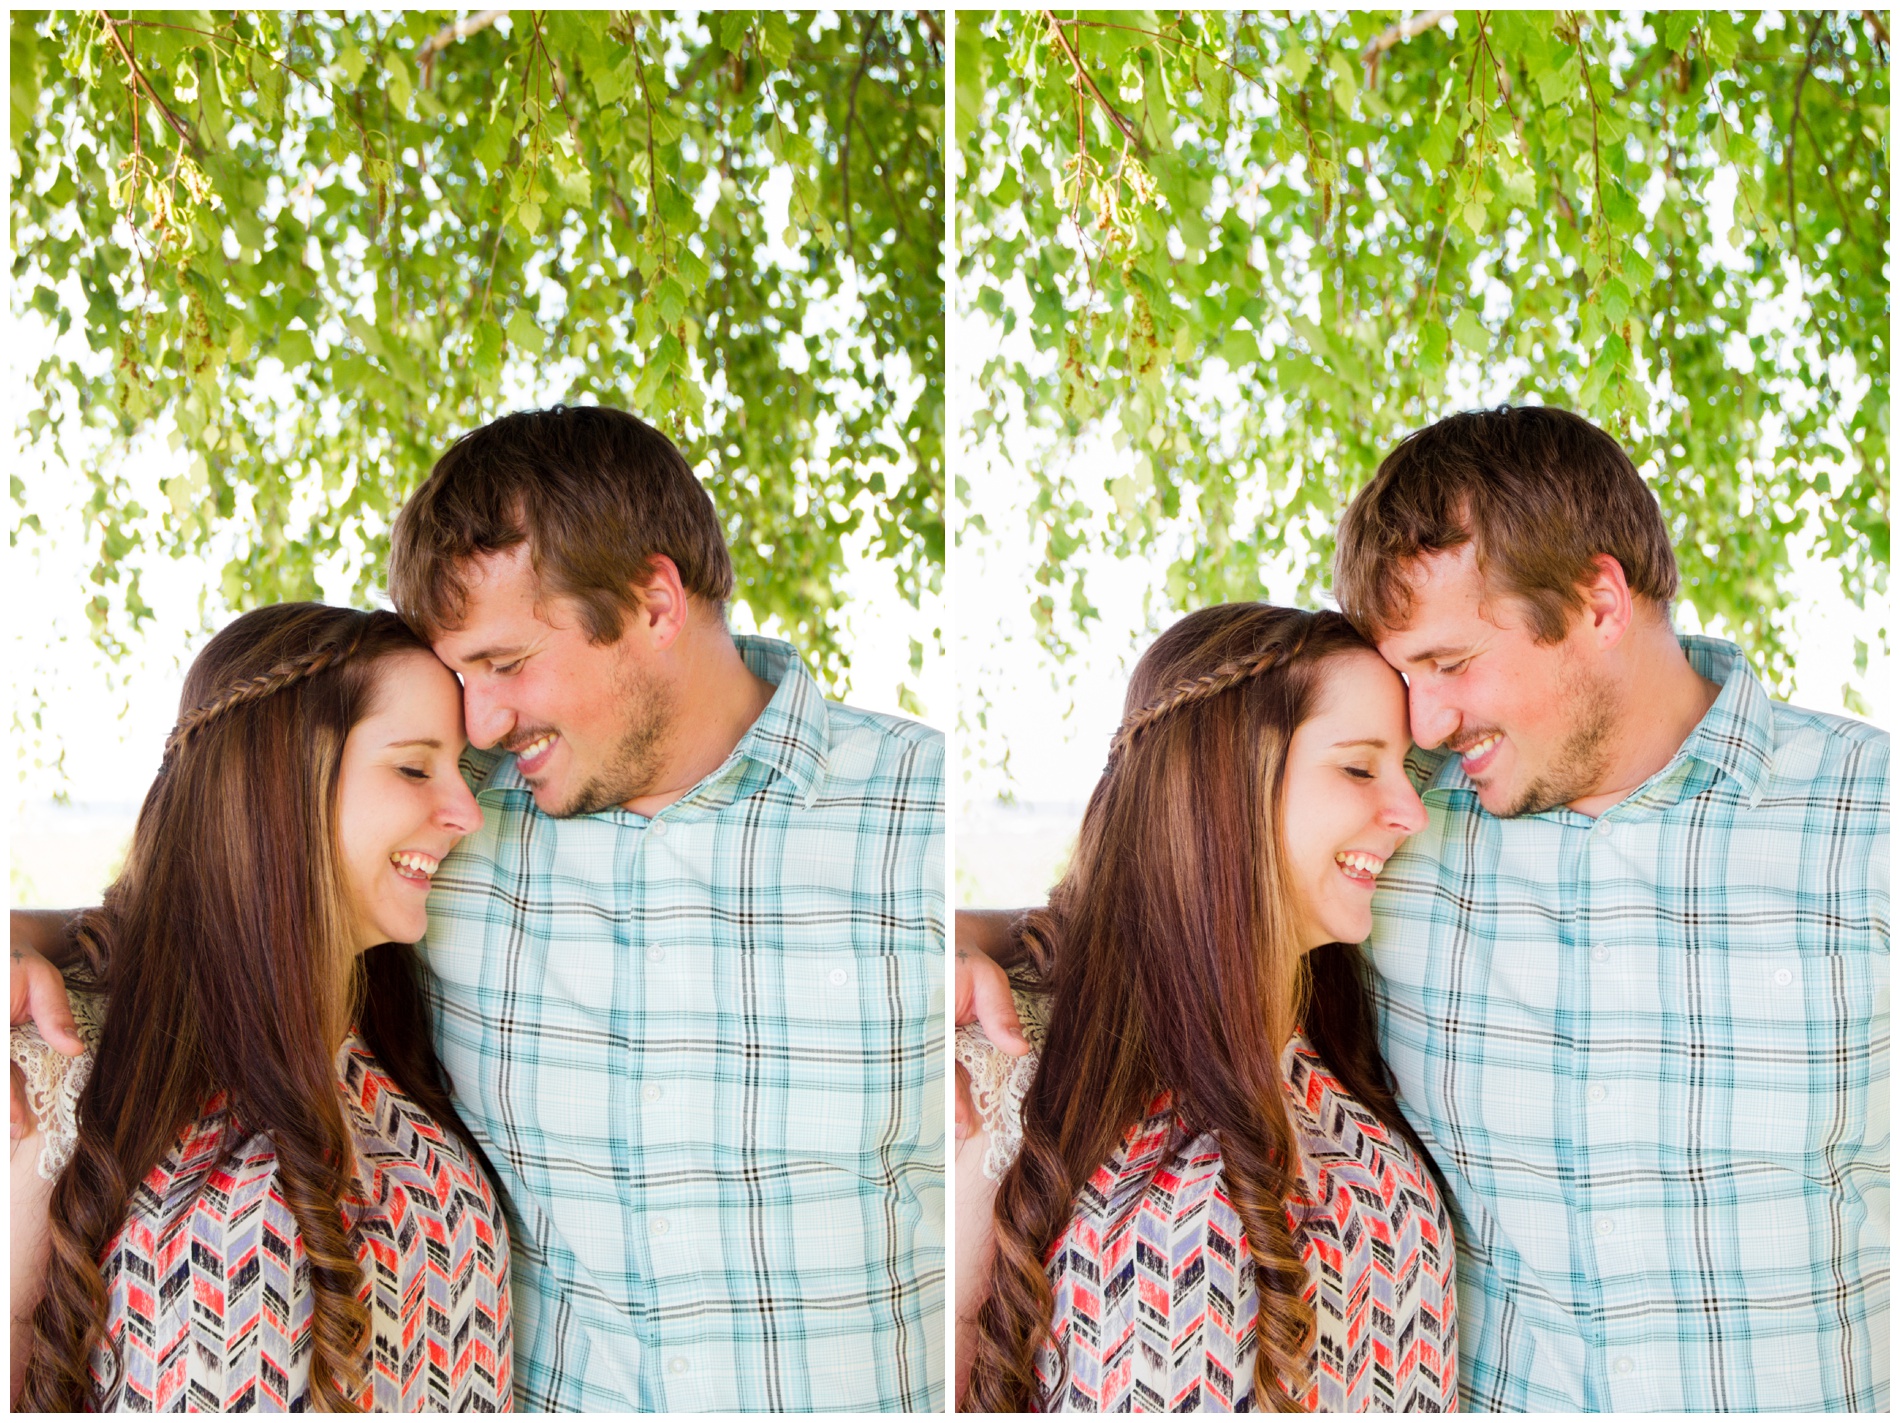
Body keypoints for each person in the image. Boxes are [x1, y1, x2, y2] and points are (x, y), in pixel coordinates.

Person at [961, 405, 1890, 1412]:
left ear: (1600, 600)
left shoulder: (1867, 818)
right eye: (1406, 682)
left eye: (1448, 664)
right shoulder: (1414, 814)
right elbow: (1194, 881)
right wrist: (953, 942)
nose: (1431, 722)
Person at [17, 406, 946, 1412]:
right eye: (461, 680)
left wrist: (992, 940)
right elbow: (250, 871)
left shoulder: (922, 808)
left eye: (504, 664)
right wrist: (28, 936)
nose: (486, 721)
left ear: (656, 599)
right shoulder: (465, 815)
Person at [958, 603, 1457, 1412]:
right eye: (1360, 768)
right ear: (1224, 781)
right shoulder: (1012, 1065)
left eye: (1407, 770)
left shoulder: (1347, 1061)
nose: (1411, 811)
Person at [10, 604, 510, 1411]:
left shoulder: (405, 1063)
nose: (466, 811)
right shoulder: (66, 1065)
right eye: (415, 768)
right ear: (281, 779)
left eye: (461, 770)